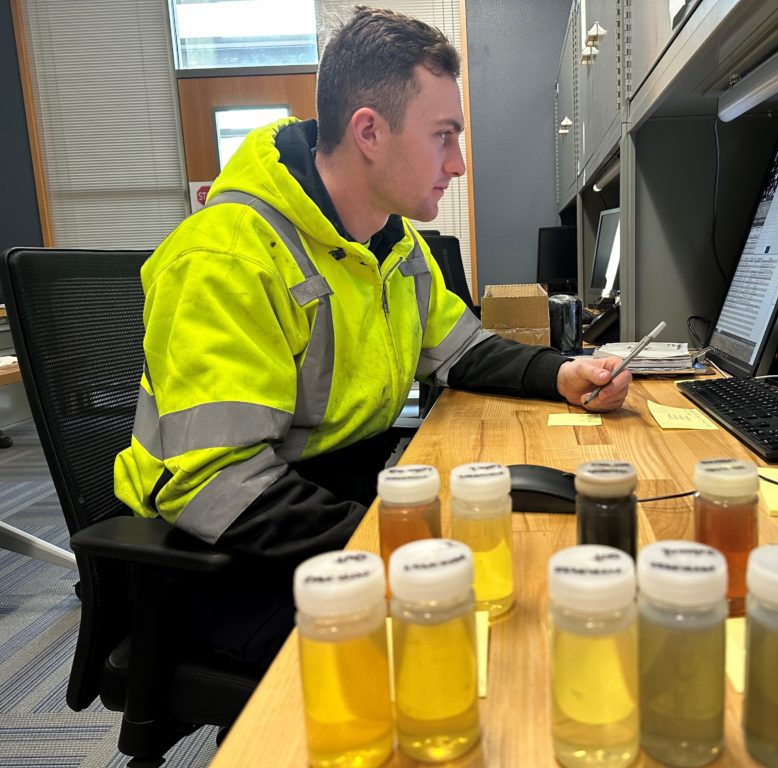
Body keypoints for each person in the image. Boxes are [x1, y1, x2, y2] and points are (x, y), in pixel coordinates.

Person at [112, 7, 630, 665]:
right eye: (444, 135)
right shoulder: (226, 256)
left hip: (331, 503)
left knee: (522, 581)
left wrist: (561, 373)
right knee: (498, 640)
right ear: (369, 132)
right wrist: (395, 542)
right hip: (224, 561)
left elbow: (461, 347)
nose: (460, 163)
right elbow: (219, 483)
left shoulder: (391, 242)